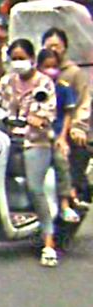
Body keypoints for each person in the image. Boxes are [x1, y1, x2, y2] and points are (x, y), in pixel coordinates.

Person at [0, 39, 58, 267]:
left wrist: (38, 120)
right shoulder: (7, 81)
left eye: (21, 58)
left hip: (35, 143)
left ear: (32, 59)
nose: (18, 62)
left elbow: (49, 113)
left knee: (35, 188)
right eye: (14, 58)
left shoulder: (44, 84)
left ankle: (49, 243)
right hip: (8, 141)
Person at [42, 27, 92, 206]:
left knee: (75, 150)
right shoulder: (37, 74)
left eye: (57, 46)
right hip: (42, 127)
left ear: (65, 47)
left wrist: (78, 127)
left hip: (67, 127)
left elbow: (83, 102)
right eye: (49, 46)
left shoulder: (73, 73)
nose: (54, 49)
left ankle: (76, 193)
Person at [37, 48, 81, 223]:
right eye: (47, 67)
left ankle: (64, 204)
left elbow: (68, 114)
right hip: (32, 135)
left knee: (60, 161)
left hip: (53, 135)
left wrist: (62, 137)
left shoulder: (63, 88)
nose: (51, 71)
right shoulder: (33, 86)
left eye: (54, 67)